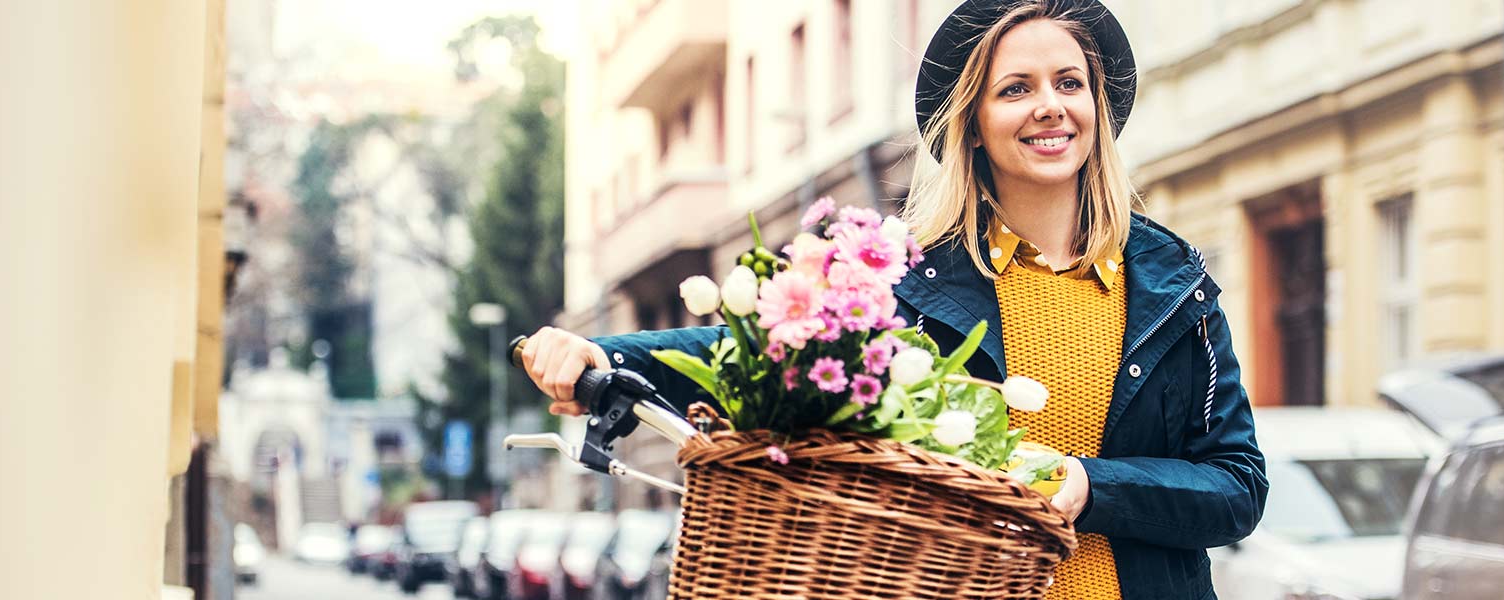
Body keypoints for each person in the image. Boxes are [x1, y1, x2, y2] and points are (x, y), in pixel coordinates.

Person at [518, 1, 1266, 598]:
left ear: (1097, 107)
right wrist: (603, 352)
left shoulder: (1174, 286)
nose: (1050, 107)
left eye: (1070, 83)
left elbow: (1236, 486)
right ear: (971, 122)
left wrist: (1088, 485)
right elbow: (770, 356)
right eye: (1016, 89)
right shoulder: (911, 279)